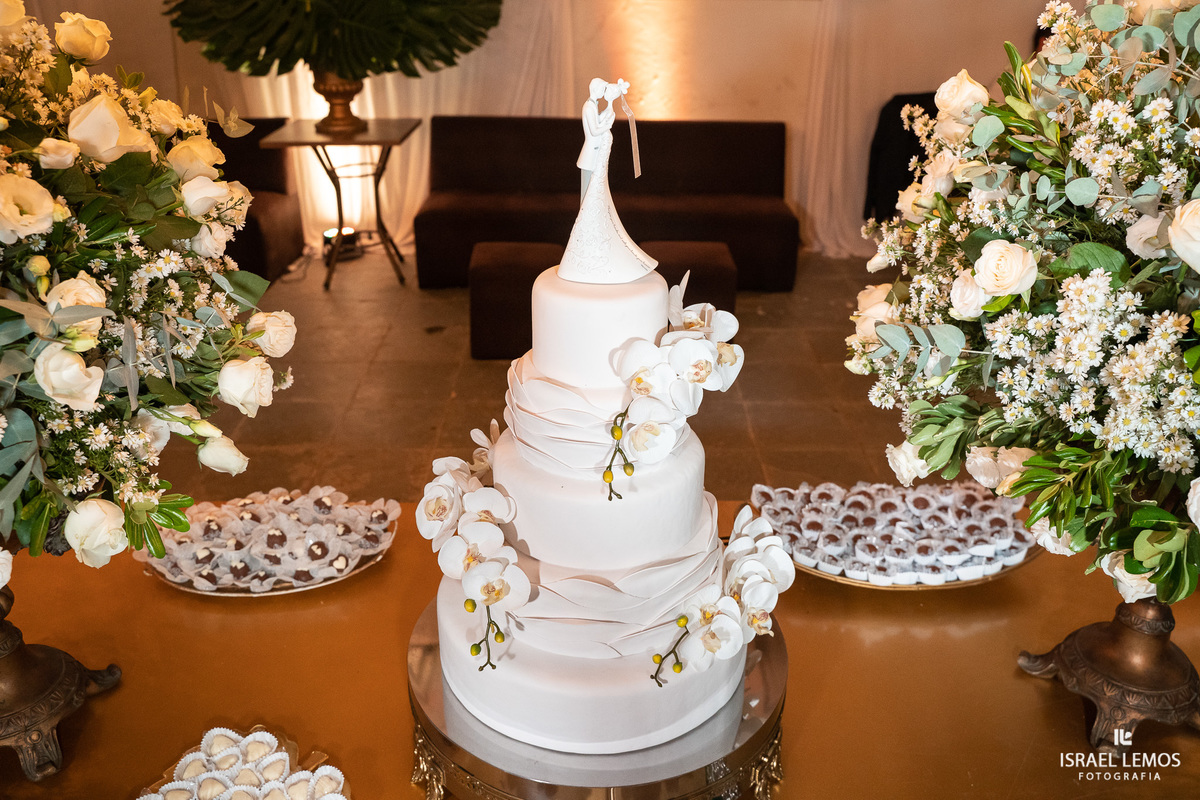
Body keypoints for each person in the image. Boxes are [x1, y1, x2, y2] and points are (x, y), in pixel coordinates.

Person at [577, 78, 616, 202]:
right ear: (596, 89)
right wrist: (608, 126)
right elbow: (594, 131)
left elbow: (597, 121)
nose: (603, 92)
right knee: (587, 191)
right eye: (602, 89)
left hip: (595, 154)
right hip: (589, 155)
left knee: (592, 191)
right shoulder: (589, 107)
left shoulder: (593, 105)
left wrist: (608, 108)